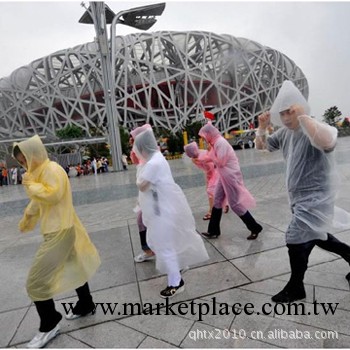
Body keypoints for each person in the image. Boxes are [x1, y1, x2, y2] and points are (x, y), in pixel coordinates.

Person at [256, 80, 350, 303]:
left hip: (317, 197)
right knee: (316, 235)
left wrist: (304, 118)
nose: (286, 118)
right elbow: (262, 147)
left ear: (300, 108)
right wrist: (261, 127)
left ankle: (296, 287)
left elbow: (328, 142)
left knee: (295, 237)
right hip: (299, 198)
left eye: (290, 112)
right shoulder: (285, 133)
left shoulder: (314, 127)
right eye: (283, 113)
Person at [12, 135, 101, 348]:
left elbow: (53, 195)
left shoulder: (51, 169)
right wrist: (27, 219)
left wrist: (30, 185)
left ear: (34, 154)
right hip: (60, 228)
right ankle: (86, 304)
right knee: (75, 266)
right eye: (21, 162)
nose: (24, 164)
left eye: (25, 159)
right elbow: (38, 202)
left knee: (35, 281)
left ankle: (50, 322)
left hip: (59, 231)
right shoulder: (41, 172)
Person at [133, 128, 209, 297]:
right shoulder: (157, 158)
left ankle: (175, 282)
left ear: (143, 148)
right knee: (166, 243)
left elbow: (141, 185)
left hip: (161, 210)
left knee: (164, 245)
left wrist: (139, 173)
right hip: (163, 207)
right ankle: (177, 271)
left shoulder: (152, 163)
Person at [198, 122, 262, 240]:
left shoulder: (220, 143)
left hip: (231, 176)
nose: (205, 139)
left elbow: (221, 161)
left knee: (235, 204)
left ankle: (255, 227)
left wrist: (210, 157)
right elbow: (213, 159)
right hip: (224, 176)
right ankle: (213, 231)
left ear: (209, 134)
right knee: (217, 200)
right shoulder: (215, 143)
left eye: (204, 136)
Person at [129, 124, 155, 263]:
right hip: (146, 197)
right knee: (142, 220)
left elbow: (144, 183)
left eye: (133, 139)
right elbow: (134, 161)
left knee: (145, 221)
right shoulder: (144, 158)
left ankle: (150, 250)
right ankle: (148, 249)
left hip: (153, 198)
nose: (131, 142)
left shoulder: (152, 159)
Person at [184, 141, 228, 220]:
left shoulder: (200, 158)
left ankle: (211, 211)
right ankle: (224, 204)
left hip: (214, 173)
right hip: (212, 173)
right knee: (214, 191)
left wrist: (201, 161)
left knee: (210, 191)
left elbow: (210, 164)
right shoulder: (198, 156)